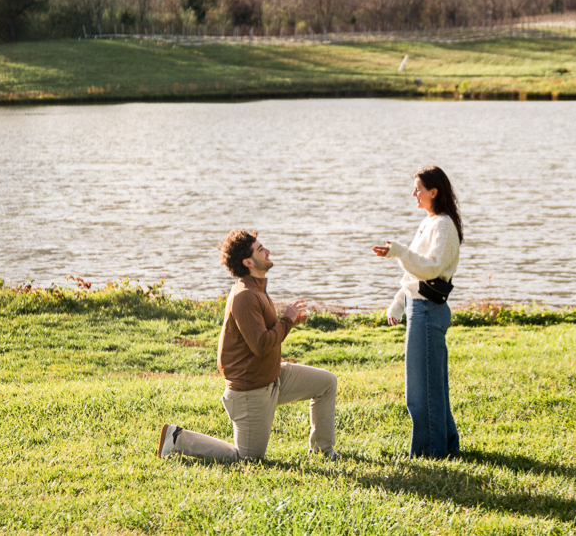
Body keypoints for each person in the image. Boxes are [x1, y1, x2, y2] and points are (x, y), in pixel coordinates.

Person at [157, 229, 338, 461]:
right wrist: (286, 320)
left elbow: (265, 334)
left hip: (272, 377)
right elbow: (261, 345)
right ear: (248, 262)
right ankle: (176, 438)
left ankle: (323, 451)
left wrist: (289, 322)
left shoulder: (257, 289)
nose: (268, 251)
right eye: (261, 249)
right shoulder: (245, 296)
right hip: (250, 390)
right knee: (248, 458)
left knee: (326, 383)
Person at [372, 165, 462, 458]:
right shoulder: (430, 222)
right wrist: (398, 304)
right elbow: (415, 275)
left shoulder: (444, 225)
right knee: (424, 385)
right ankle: (445, 446)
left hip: (428, 311)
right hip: (417, 308)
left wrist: (399, 251)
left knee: (424, 389)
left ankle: (431, 453)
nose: (414, 193)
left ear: (433, 192)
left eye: (418, 189)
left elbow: (431, 268)